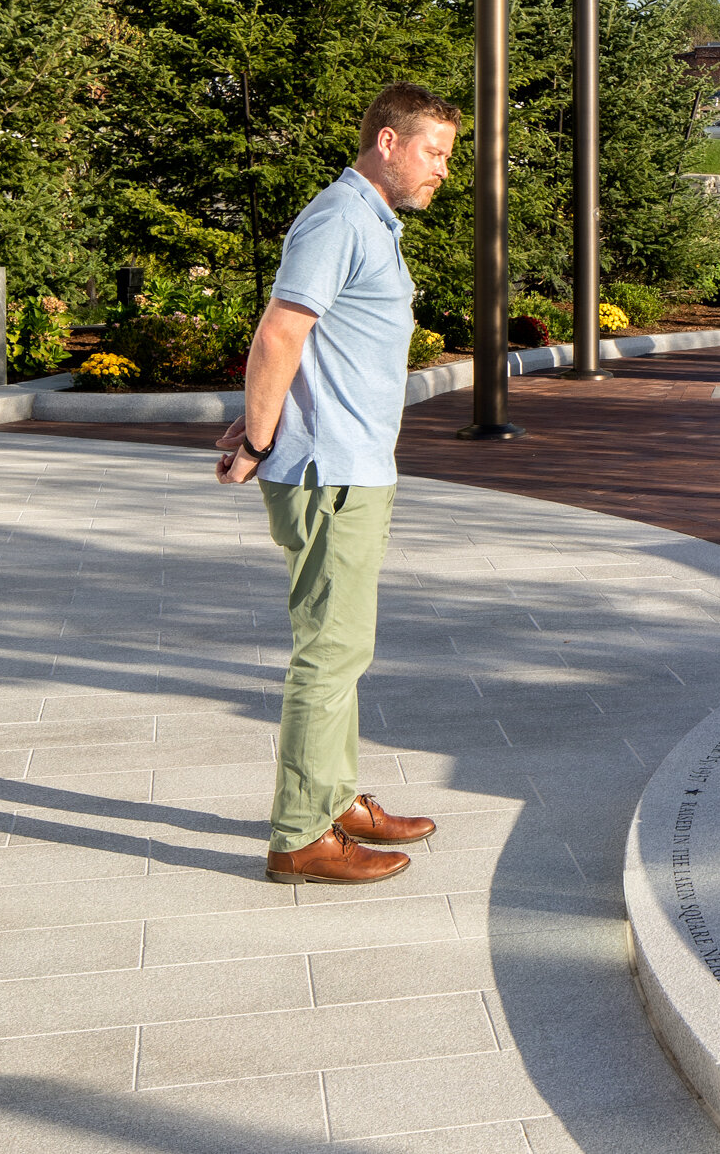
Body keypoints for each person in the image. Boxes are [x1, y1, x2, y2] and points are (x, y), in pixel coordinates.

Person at [216, 82, 460, 886]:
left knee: (343, 648)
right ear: (386, 143)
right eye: (433, 152)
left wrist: (263, 426)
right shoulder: (339, 218)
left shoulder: (369, 223)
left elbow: (311, 352)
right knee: (330, 651)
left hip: (350, 467)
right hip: (333, 476)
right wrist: (257, 436)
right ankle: (300, 836)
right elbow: (280, 332)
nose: (441, 171)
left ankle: (333, 795)